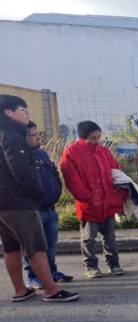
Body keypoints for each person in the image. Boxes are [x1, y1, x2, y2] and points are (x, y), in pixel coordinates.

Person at [0, 95, 78, 303]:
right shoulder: (11, 137)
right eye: (22, 109)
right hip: (19, 204)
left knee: (12, 247)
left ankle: (20, 290)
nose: (26, 113)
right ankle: (51, 290)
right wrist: (37, 192)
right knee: (36, 246)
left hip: (4, 204)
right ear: (8, 112)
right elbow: (22, 171)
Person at [61, 120, 127, 278]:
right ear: (82, 138)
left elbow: (116, 172)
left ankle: (114, 264)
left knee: (110, 235)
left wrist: (120, 193)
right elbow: (71, 179)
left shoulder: (104, 151)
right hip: (89, 203)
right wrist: (86, 197)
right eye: (93, 138)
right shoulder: (72, 153)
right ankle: (90, 266)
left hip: (108, 200)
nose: (97, 140)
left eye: (99, 137)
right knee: (89, 237)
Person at [22, 121, 73, 289]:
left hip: (51, 209)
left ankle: (51, 271)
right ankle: (32, 277)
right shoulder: (19, 157)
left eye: (38, 133)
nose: (39, 137)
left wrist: (57, 189)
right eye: (34, 134)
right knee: (33, 247)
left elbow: (54, 173)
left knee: (50, 244)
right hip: (34, 210)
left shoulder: (42, 154)